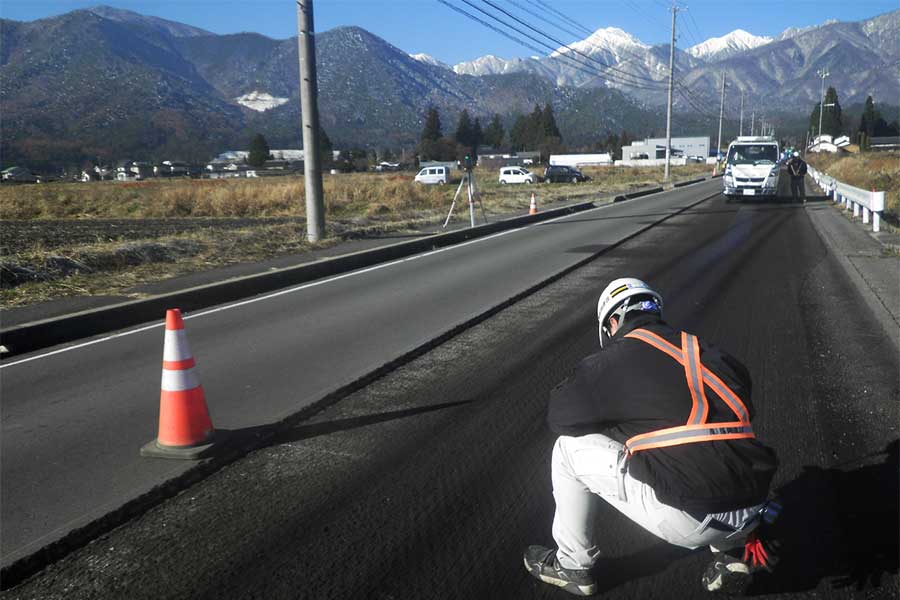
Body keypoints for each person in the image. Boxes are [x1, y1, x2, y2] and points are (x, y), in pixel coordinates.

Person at [524, 278, 779, 596]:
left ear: (613, 323)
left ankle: (573, 566)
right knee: (708, 443)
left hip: (689, 514)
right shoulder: (710, 352)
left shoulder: (611, 361)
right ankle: (730, 553)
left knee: (567, 449)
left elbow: (560, 418)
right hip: (753, 503)